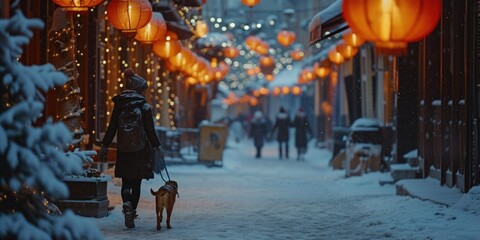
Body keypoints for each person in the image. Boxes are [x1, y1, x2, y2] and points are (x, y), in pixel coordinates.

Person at [99, 69, 161, 229]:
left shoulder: (120, 105)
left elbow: (112, 127)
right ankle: (131, 210)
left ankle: (126, 203)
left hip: (124, 149)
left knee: (126, 182)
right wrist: (157, 146)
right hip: (140, 150)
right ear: (139, 89)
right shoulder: (144, 107)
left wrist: (105, 145)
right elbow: (149, 130)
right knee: (137, 183)